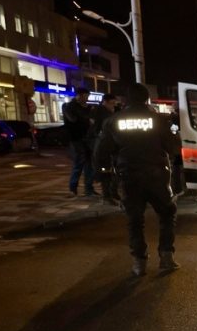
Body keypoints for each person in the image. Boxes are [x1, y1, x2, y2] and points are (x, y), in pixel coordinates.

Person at [94, 83, 181, 277]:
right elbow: (172, 148)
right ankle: (166, 257)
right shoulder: (157, 120)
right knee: (167, 214)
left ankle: (138, 263)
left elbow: (100, 152)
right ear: (146, 99)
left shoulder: (113, 121)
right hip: (156, 176)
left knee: (135, 220)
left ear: (125, 100)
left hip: (128, 177)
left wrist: (104, 179)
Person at [63, 87, 96, 197]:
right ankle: (73, 188)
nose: (86, 98)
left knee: (90, 164)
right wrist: (87, 119)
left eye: (87, 96)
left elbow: (93, 120)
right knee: (79, 163)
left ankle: (89, 189)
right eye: (85, 96)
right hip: (76, 138)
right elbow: (73, 119)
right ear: (79, 95)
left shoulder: (88, 107)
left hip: (88, 138)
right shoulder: (69, 107)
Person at [89, 93, 120, 205]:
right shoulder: (98, 111)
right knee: (104, 171)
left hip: (110, 145)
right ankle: (106, 196)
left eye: (114, 104)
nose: (113, 106)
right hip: (101, 145)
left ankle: (112, 193)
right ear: (105, 102)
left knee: (112, 171)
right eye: (112, 103)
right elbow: (94, 128)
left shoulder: (111, 112)